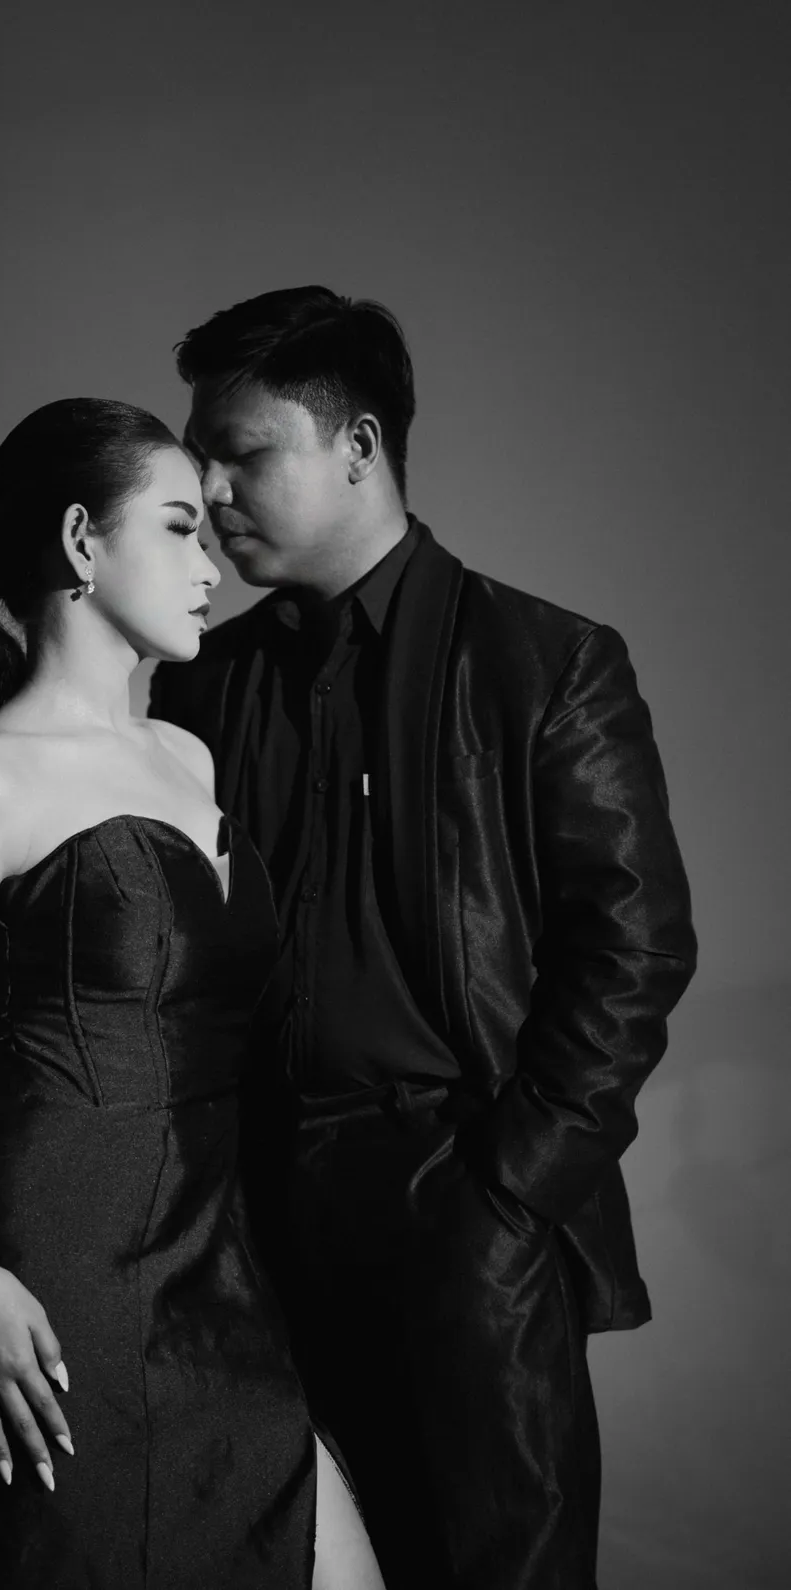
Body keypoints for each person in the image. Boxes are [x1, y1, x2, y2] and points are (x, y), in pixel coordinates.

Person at [148, 287, 698, 1590]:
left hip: (460, 1189)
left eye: (243, 453)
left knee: (498, 1563)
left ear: (358, 445)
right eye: (199, 458)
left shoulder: (543, 662)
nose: (210, 491)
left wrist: (511, 1188)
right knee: (286, 1561)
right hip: (256, 1210)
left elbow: (633, 944)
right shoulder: (202, 681)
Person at [0, 398, 384, 1589]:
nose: (211, 568)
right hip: (43, 1267)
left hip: (212, 1255)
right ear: (83, 541)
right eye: (180, 528)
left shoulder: (187, 757)